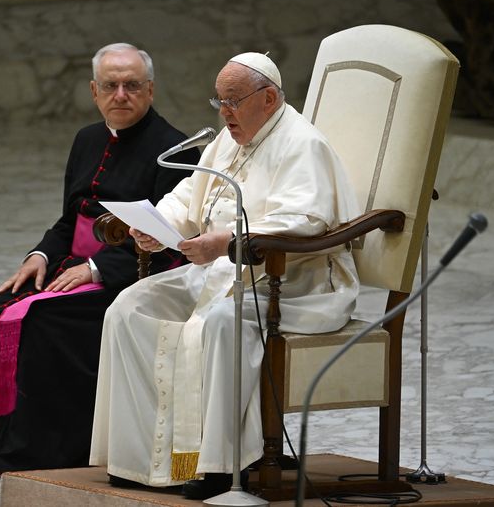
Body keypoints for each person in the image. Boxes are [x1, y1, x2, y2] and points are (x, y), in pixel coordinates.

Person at [0, 43, 200, 491]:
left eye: (132, 85)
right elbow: (71, 218)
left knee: (42, 319)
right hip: (71, 263)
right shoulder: (87, 139)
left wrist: (96, 269)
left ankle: (28, 457)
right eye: (110, 85)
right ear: (93, 90)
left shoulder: (172, 149)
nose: (120, 94)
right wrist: (40, 256)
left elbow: (167, 240)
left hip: (134, 275)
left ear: (150, 89)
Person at [89, 52, 361, 500]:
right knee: (128, 308)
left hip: (294, 283)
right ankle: (139, 459)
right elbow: (186, 196)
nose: (224, 113)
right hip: (223, 273)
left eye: (233, 100)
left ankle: (218, 467)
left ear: (269, 97)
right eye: (220, 100)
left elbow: (303, 223)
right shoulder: (230, 140)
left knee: (221, 321)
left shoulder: (302, 145)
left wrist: (226, 242)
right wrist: (160, 227)